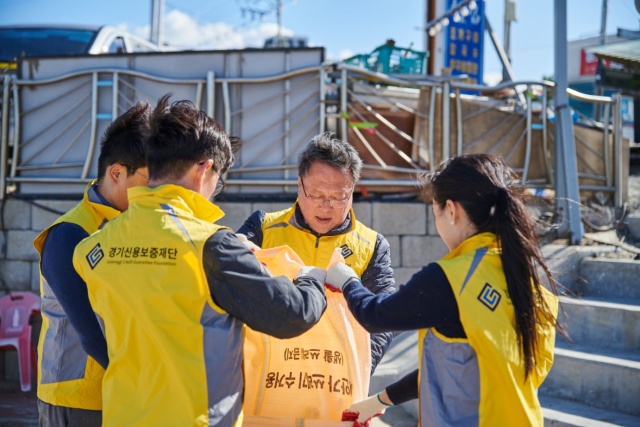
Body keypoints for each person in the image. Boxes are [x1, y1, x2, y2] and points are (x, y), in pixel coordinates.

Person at [71, 94, 327, 427]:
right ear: (204, 169)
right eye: (218, 181)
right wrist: (313, 276)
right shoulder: (210, 245)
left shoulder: (94, 249)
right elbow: (292, 314)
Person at [327, 154, 563, 426]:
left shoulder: (452, 277)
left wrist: (346, 280)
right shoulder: (525, 278)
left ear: (451, 210)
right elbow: (454, 369)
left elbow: (375, 316)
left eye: (435, 212)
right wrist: (380, 400)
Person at [237, 132, 396, 375]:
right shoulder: (262, 228)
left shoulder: (372, 245)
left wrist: (358, 372)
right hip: (268, 374)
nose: (326, 206)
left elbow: (382, 318)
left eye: (338, 197)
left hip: (335, 377)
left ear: (353, 188)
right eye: (317, 195)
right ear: (299, 184)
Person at [33, 101, 152, 426]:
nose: (155, 192)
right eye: (149, 181)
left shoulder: (135, 227)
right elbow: (90, 333)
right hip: (75, 398)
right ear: (116, 173)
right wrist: (145, 387)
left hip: (120, 392)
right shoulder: (70, 234)